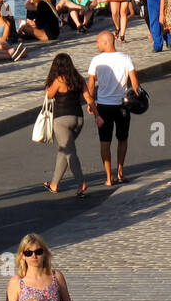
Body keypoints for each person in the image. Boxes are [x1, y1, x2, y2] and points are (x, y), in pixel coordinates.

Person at [86, 31, 141, 187]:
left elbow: (91, 85)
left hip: (103, 106)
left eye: (98, 42)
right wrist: (138, 98)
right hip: (122, 105)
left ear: (106, 42)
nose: (96, 45)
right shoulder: (126, 59)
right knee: (122, 138)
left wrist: (91, 104)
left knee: (105, 141)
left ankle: (109, 177)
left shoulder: (96, 61)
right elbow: (135, 84)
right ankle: (120, 172)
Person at [43, 52, 87, 197]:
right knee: (64, 150)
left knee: (69, 153)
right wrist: (97, 115)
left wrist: (49, 83)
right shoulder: (79, 79)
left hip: (62, 120)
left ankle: (81, 183)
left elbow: (48, 95)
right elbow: (89, 99)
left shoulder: (58, 80)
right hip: (78, 119)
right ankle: (54, 184)